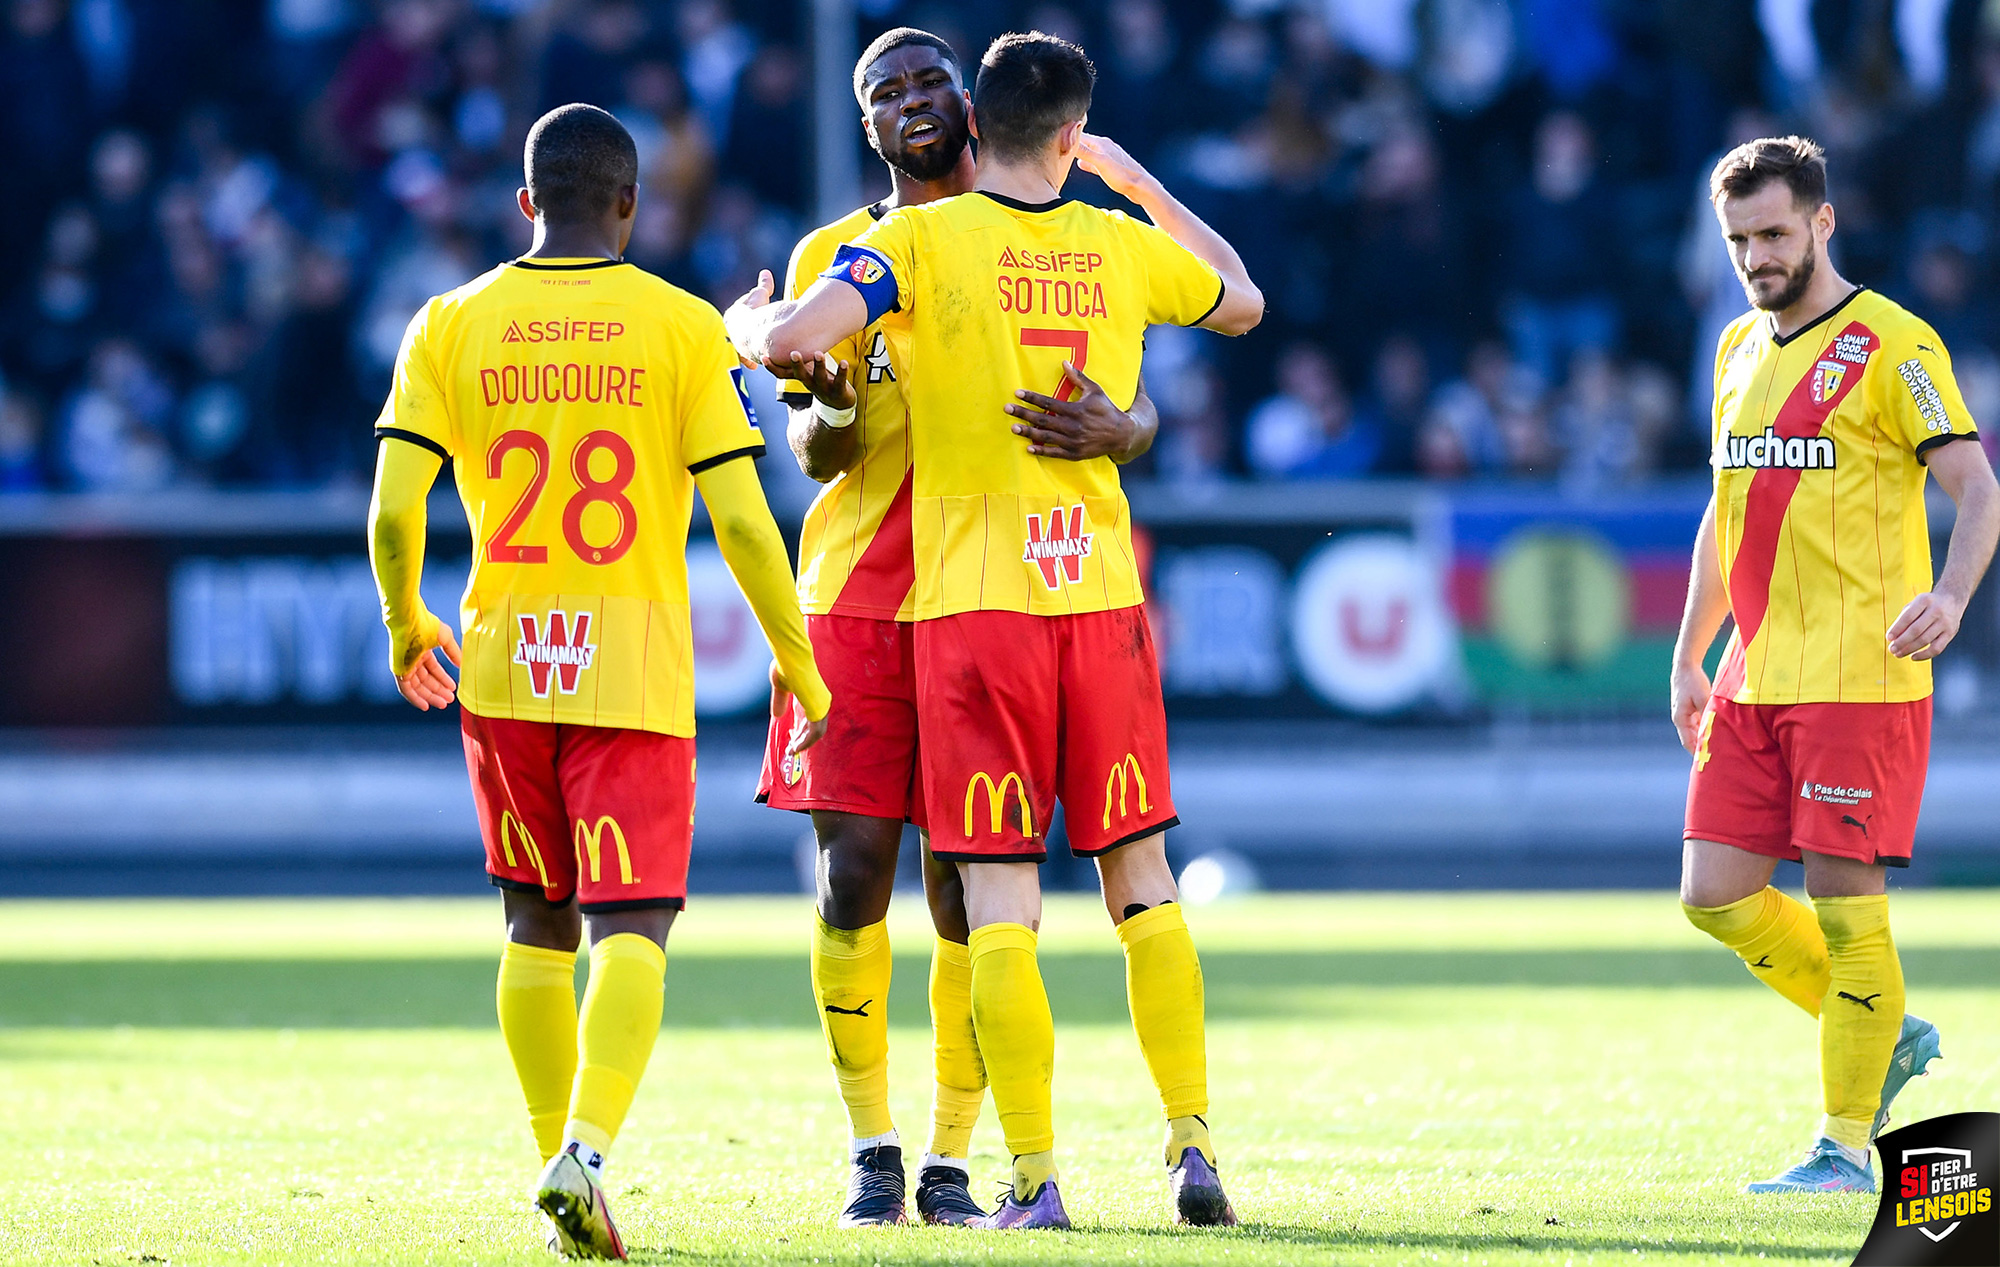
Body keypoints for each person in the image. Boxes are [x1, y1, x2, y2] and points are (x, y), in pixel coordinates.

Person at [725, 31, 1261, 1229]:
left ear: (972, 102)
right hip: (869, 585)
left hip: (982, 597)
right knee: (857, 873)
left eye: (929, 80)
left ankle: (957, 1155)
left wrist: (1126, 430)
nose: (912, 102)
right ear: (866, 125)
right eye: (885, 92)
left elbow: (1131, 406)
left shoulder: (961, 239)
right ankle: (873, 1144)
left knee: (974, 889)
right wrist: (832, 398)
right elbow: (819, 451)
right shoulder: (847, 249)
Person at [366, 103, 830, 1259]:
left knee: (535, 921)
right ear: (631, 203)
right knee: (635, 922)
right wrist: (801, 669)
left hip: (503, 662)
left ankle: (552, 1162)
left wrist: (404, 621)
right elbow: (742, 521)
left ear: (525, 203)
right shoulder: (677, 327)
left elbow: (390, 507)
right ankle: (583, 1152)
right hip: (629, 666)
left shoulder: (448, 321)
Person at [1672, 135, 2000, 1194]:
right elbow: (1725, 518)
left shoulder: (1895, 344)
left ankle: (1843, 1149)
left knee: (1843, 903)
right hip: (1753, 675)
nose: (1755, 256)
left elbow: (1977, 487)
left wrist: (1947, 595)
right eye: (1736, 241)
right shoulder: (1731, 350)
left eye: (1771, 232)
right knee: (1712, 895)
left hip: (1860, 676)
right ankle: (1882, 1027)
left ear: (1820, 222)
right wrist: (1689, 650)